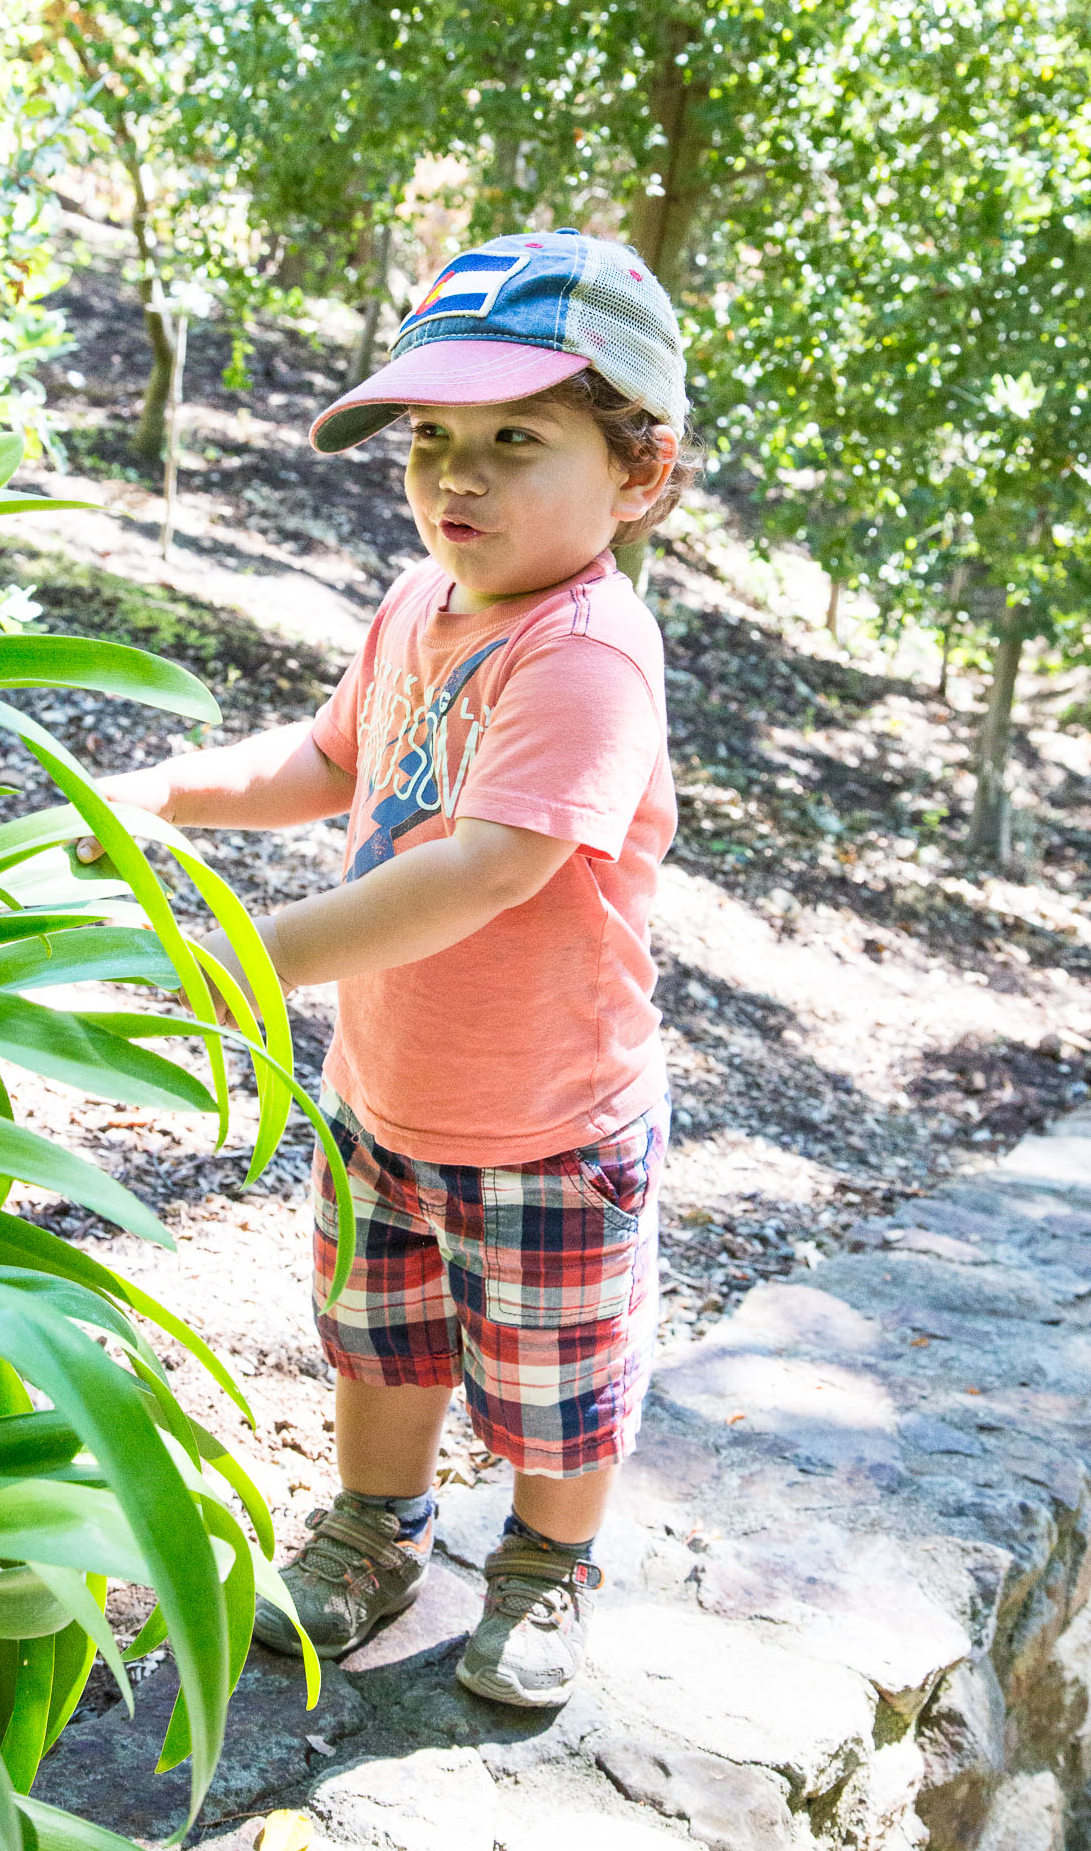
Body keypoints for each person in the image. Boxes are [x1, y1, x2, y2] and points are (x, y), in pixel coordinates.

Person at [78, 228, 688, 1707]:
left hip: (549, 1121)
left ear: (638, 471)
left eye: (515, 439)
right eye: (430, 440)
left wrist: (244, 960)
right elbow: (331, 760)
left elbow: (483, 870)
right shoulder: (422, 602)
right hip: (386, 1095)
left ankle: (545, 1567)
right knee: (380, 1341)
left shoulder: (588, 654)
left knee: (555, 1381)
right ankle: (374, 1530)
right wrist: (164, 794)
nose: (455, 478)